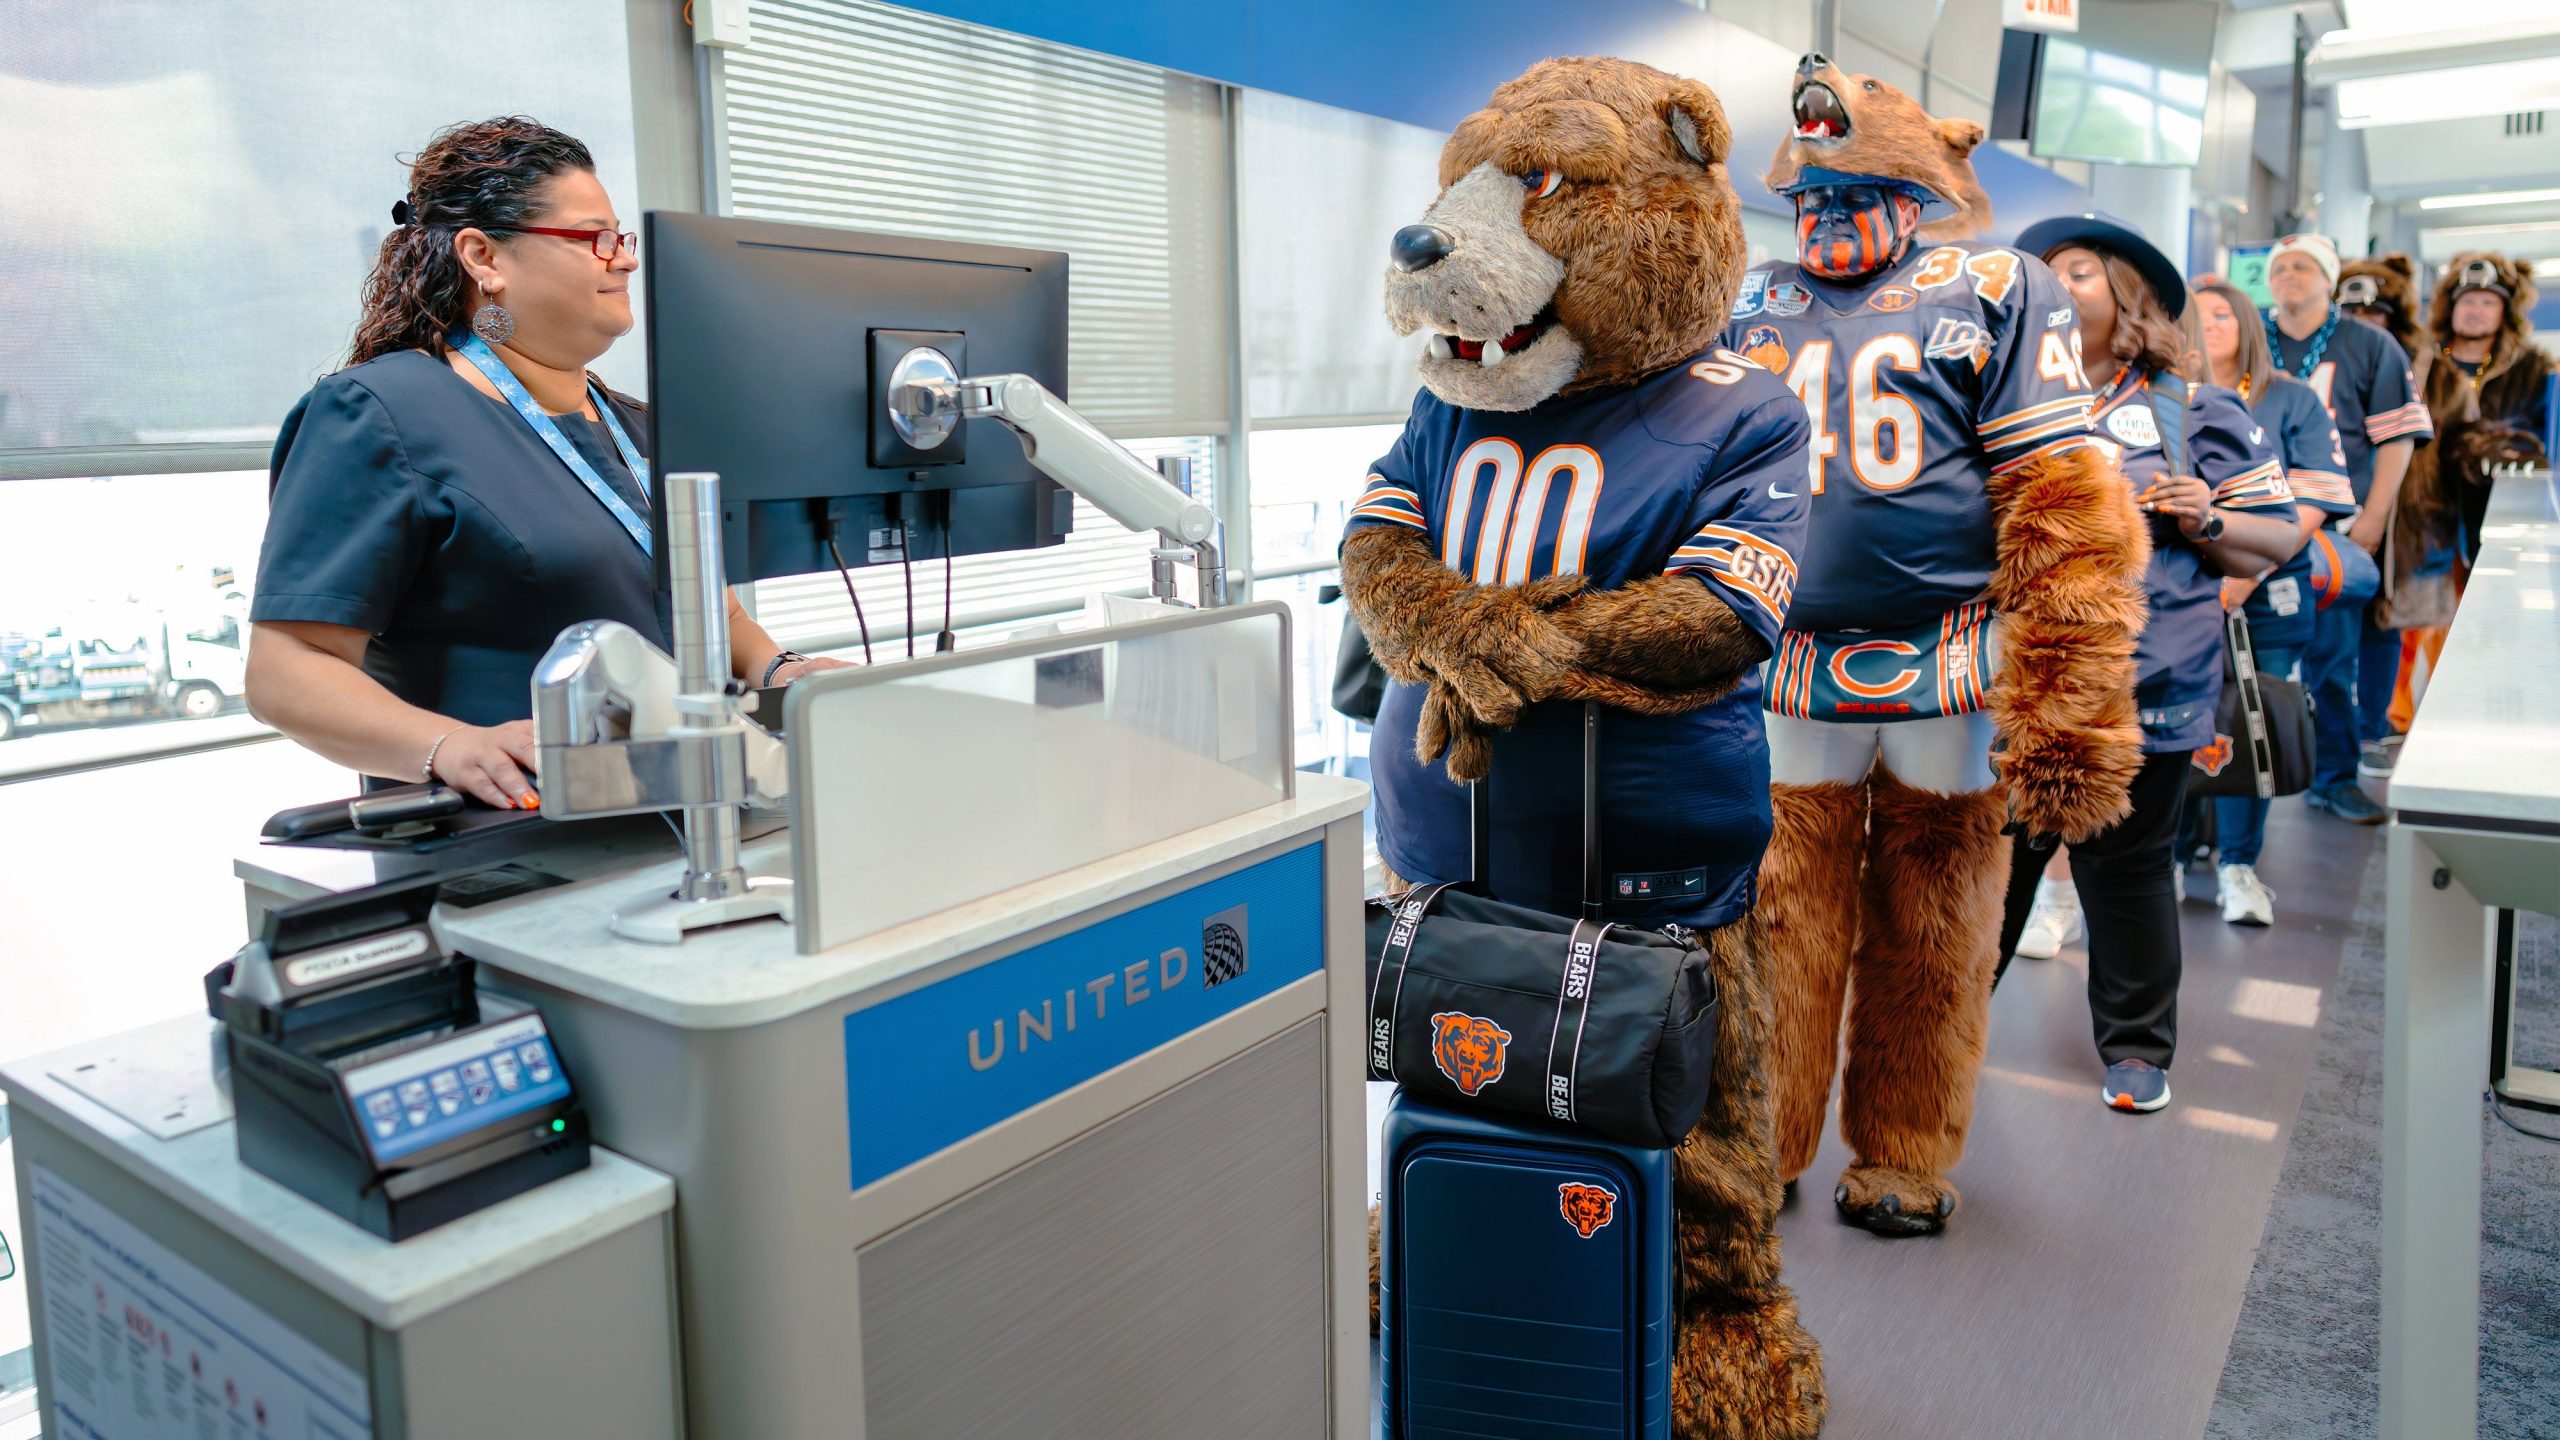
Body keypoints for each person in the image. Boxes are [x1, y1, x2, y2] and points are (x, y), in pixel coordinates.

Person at [1727, 61, 2148, 1232]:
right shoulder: (1749, 299)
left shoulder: (1997, 286)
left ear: (1913, 196)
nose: (1821, 221)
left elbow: (2058, 491)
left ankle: (1905, 1148)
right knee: (1774, 909)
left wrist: (2068, 693)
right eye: (1805, 200)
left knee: (1937, 914)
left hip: (1951, 655)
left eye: (1849, 195)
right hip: (1787, 658)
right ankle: (1762, 1138)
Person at [246, 118, 845, 807]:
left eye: (621, 238)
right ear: (484, 257)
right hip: (511, 846)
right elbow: (287, 668)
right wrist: (450, 747)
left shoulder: (641, 427)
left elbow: (712, 608)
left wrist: (779, 671)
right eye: (594, 238)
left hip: (697, 817)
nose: (624, 260)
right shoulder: (380, 413)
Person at [1997, 217, 2300, 1113]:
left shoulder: (2191, 410)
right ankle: (1939, 1040)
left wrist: (2207, 516)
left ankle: (2136, 1048)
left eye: (2079, 273)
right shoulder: (1994, 400)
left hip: (2149, 691)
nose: (2055, 288)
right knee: (1988, 873)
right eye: (2041, 276)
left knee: (2129, 872)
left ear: (2126, 297)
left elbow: (2273, 540)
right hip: (2009, 690)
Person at [2187, 278, 2355, 926]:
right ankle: (2172, 856)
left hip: (2272, 586)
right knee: (2178, 720)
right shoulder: (2160, 393)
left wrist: (2246, 573)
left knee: (2253, 719)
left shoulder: (2289, 399)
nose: (2213, 324)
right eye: (2200, 315)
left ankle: (2239, 866)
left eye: (2225, 313)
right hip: (2183, 590)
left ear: (2248, 324)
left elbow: (2313, 497)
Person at [2261, 234, 2430, 824]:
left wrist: (2377, 516)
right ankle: (2228, 788)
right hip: (2249, 523)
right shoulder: (2250, 334)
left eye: (2303, 266)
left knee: (2334, 662)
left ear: (2328, 278)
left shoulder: (2369, 343)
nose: (2288, 275)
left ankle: (2334, 778)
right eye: (2279, 267)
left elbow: (2397, 437)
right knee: (2246, 662)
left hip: (2334, 527)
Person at [2430, 252, 2554, 565]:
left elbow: (2545, 436)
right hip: (2429, 501)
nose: (2476, 311)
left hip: (2503, 508)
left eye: (2488, 302)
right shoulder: (2421, 363)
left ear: (2505, 311)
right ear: (2452, 307)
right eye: (2468, 301)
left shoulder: (2532, 367)